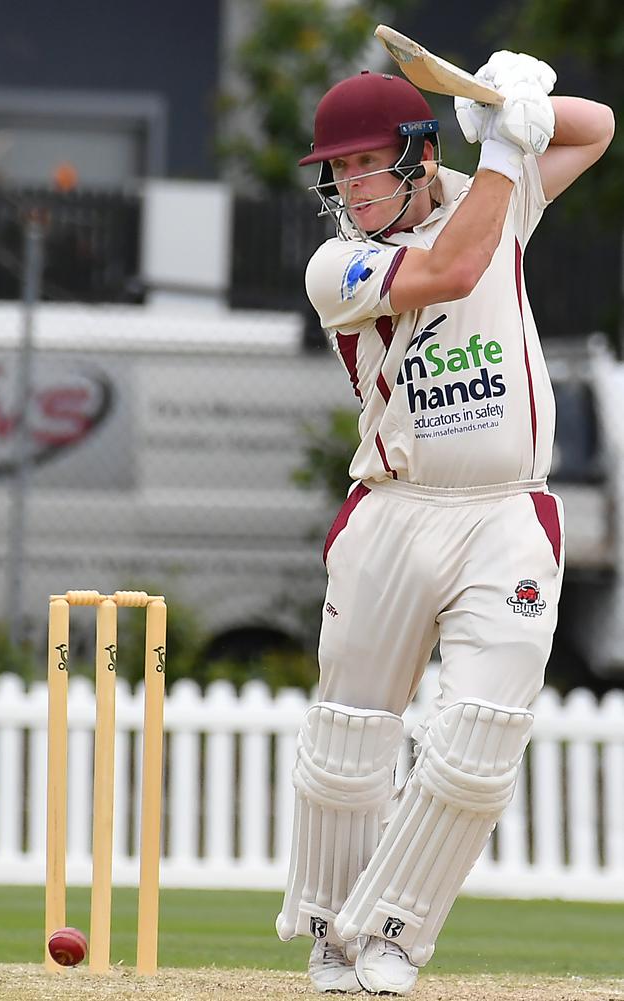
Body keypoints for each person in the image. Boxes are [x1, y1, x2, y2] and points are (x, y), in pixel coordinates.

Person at [275, 54, 614, 996]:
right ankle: (328, 938)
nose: (348, 186)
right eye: (335, 171)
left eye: (365, 164)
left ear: (422, 154)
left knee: (479, 737)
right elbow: (458, 264)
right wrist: (505, 149)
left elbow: (598, 130)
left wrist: (511, 106)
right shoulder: (338, 264)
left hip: (506, 511)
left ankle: (389, 930)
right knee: (352, 736)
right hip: (394, 509)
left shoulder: (491, 188)